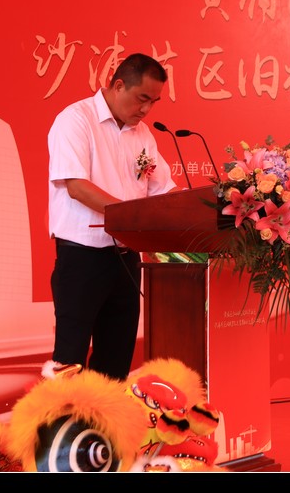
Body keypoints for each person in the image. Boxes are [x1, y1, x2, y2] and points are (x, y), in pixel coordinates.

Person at [45, 52, 177, 382]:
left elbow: (163, 189)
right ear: (119, 86)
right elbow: (76, 186)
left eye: (154, 102)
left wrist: (205, 205)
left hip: (127, 259)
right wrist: (130, 218)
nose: (146, 110)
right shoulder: (75, 120)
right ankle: (66, 417)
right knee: (70, 361)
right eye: (142, 98)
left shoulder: (142, 134)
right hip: (82, 258)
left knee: (115, 362)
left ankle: (106, 417)